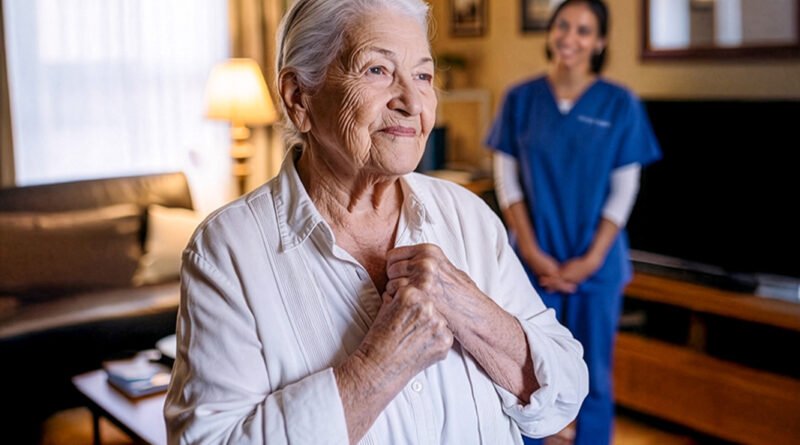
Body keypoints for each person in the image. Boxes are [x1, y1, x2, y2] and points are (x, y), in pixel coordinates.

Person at [164, 0, 589, 443]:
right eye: (377, 71)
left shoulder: (469, 217)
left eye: (423, 76)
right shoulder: (227, 250)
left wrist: (470, 307)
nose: (411, 102)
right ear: (299, 98)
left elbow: (562, 400)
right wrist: (380, 366)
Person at [485, 1, 661, 444]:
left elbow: (624, 191)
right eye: (563, 25)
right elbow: (508, 183)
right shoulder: (520, 99)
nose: (570, 37)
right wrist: (530, 249)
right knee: (523, 374)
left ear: (599, 42)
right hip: (530, 262)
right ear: (551, 32)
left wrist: (592, 259)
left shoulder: (620, 104)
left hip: (595, 267)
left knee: (594, 376)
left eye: (584, 30)